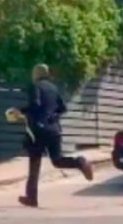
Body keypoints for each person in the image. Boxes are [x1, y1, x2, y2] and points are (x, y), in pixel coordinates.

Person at [19, 64, 94, 208]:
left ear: (36, 74)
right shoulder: (53, 88)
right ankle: (80, 162)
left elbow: (35, 105)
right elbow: (62, 108)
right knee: (57, 160)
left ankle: (31, 198)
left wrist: (21, 111)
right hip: (54, 129)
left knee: (34, 164)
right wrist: (53, 117)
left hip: (38, 131)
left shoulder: (35, 87)